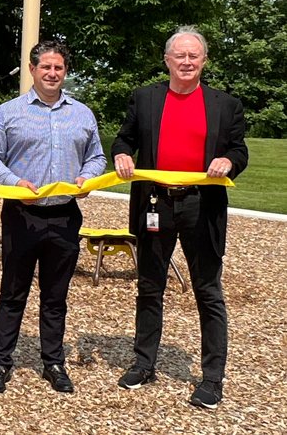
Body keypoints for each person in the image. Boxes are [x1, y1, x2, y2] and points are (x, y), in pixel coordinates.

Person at [112, 26, 247, 409]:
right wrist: (121, 154)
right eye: (180, 56)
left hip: (202, 206)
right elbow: (125, 139)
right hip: (156, 204)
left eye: (194, 56)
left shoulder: (225, 104)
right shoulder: (145, 98)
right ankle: (143, 363)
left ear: (204, 61)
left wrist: (229, 162)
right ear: (167, 60)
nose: (187, 62)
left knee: (207, 290)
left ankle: (212, 377)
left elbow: (240, 151)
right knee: (150, 286)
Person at [0, 40, 106, 395]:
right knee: (12, 293)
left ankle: (53, 362)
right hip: (22, 214)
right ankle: (0, 362)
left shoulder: (82, 114)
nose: (52, 73)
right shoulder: (7, 113)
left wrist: (88, 177)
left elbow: (97, 157)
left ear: (65, 72)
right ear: (33, 70)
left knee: (55, 295)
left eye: (58, 68)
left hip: (65, 216)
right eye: (45, 67)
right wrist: (13, 182)